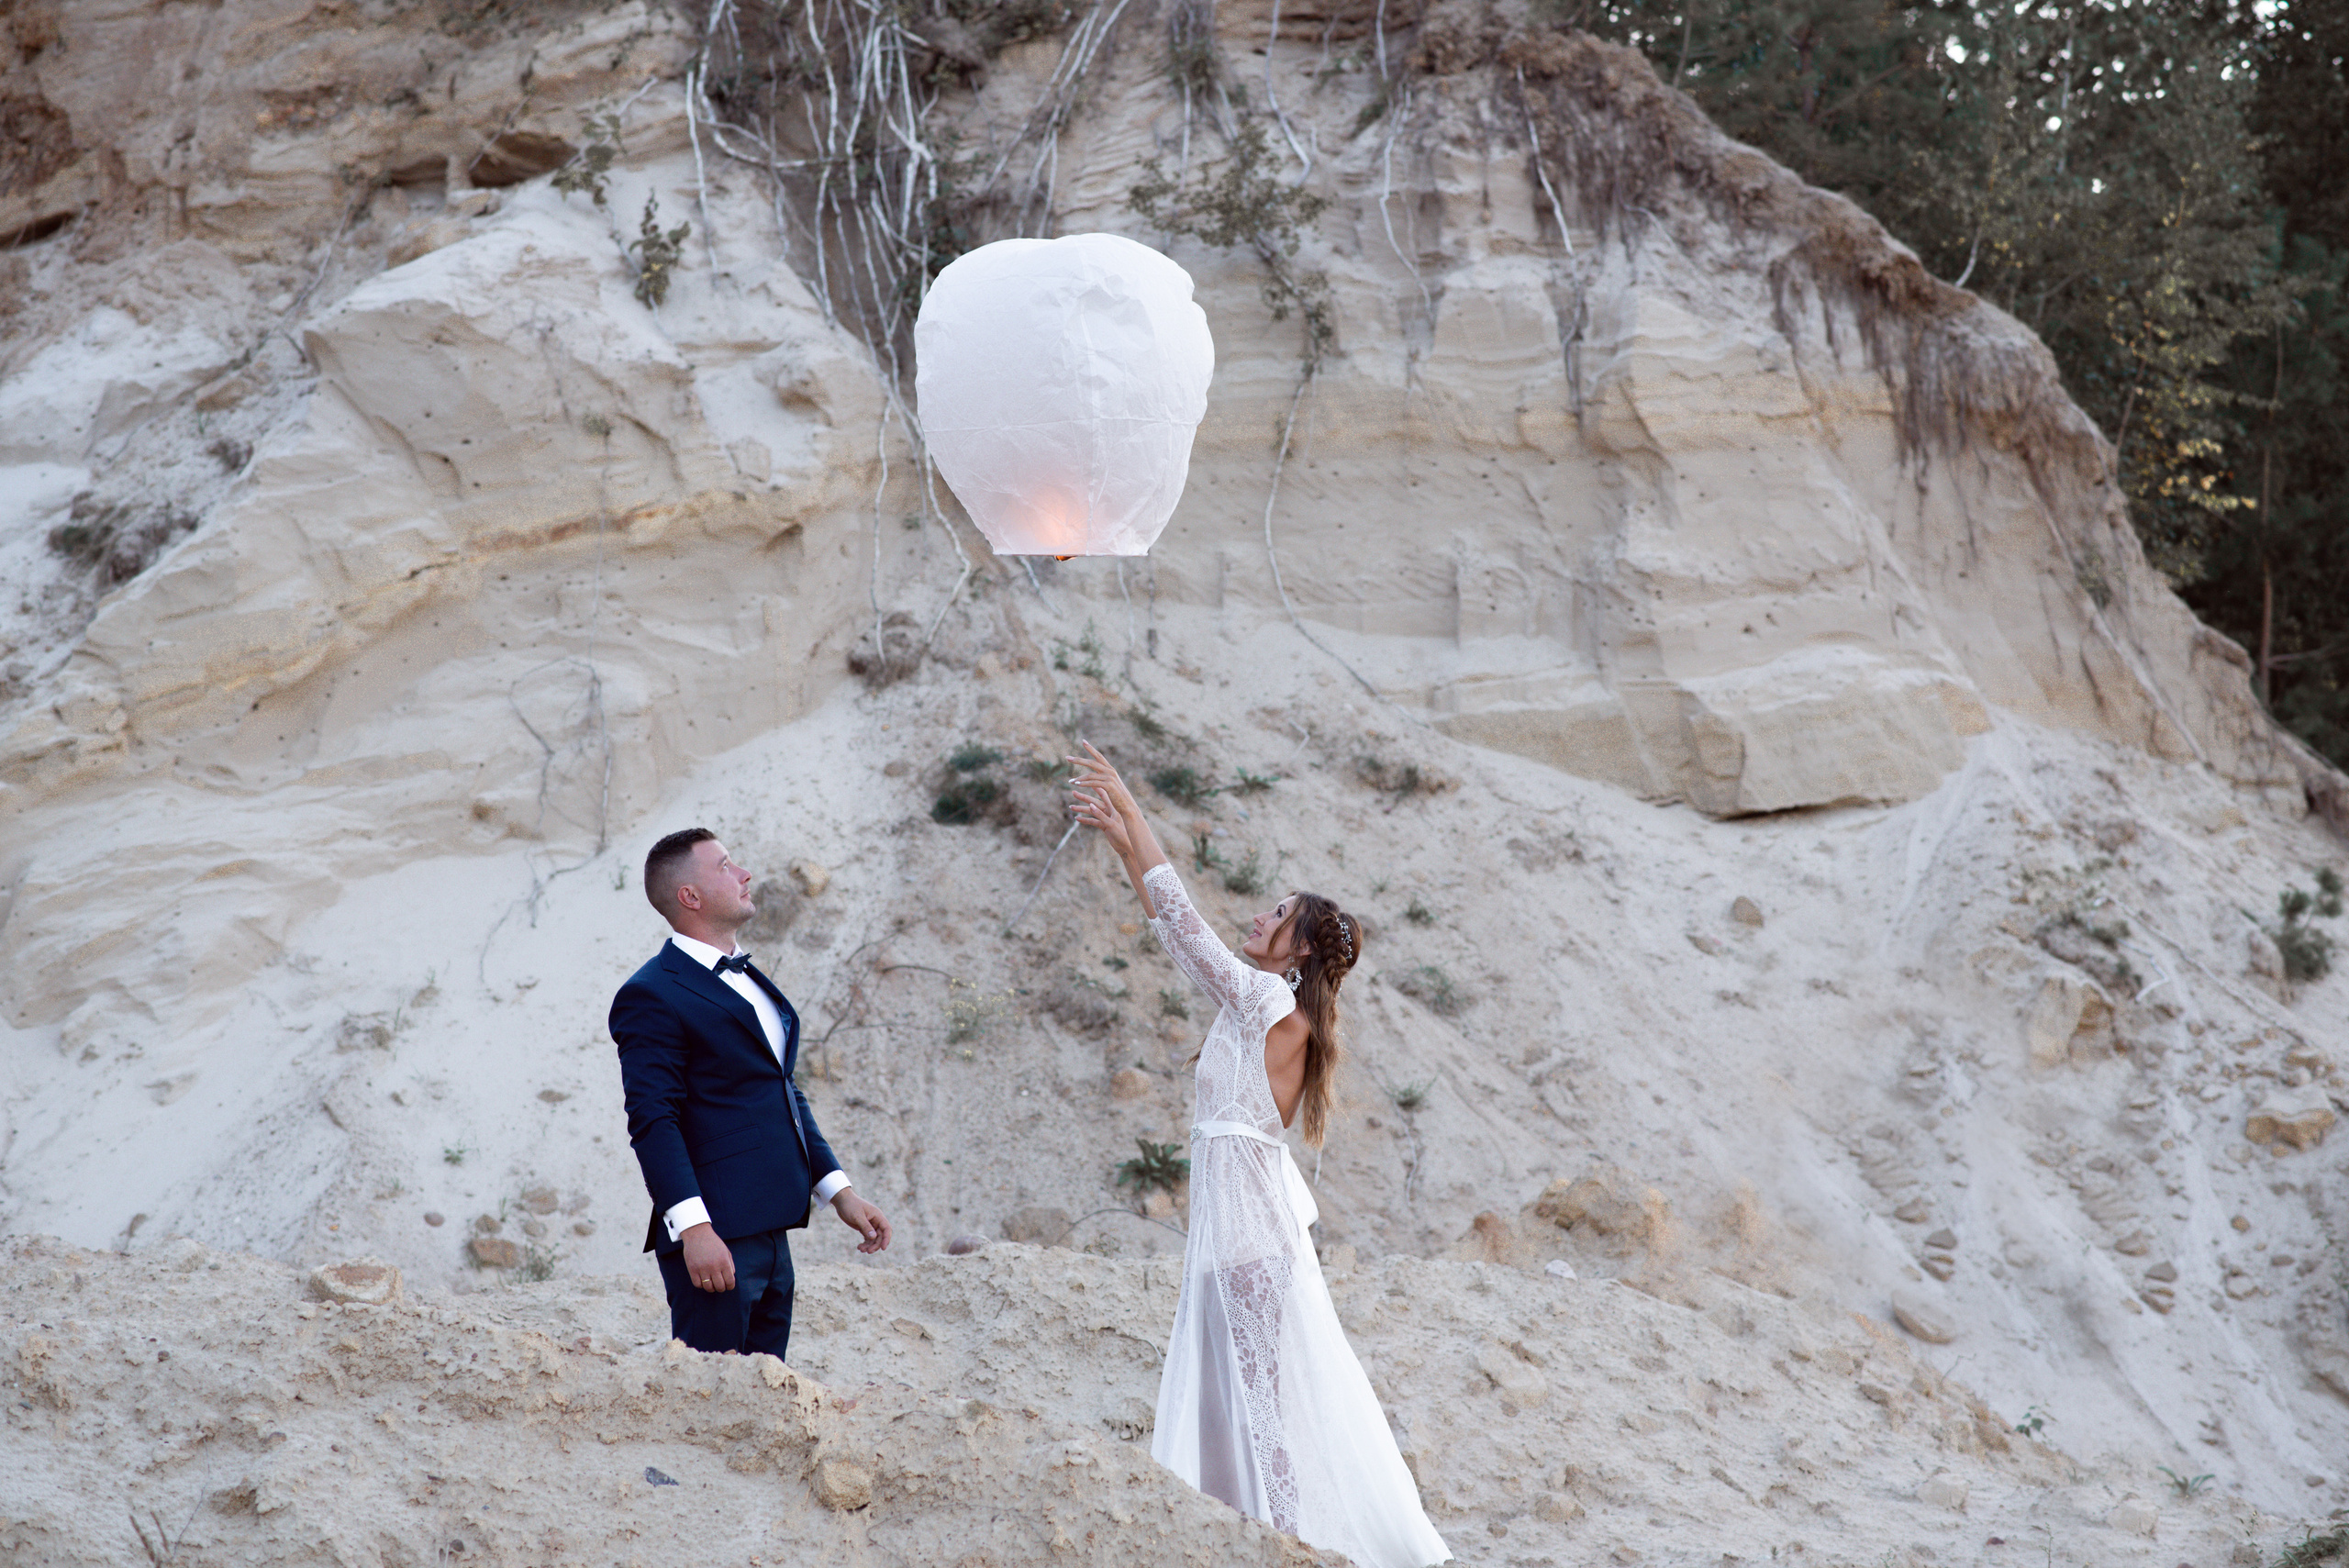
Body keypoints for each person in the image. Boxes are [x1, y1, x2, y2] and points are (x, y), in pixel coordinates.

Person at [1066, 742, 1452, 1568]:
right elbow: (1172, 926)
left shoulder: (1267, 1000)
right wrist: (1118, 839)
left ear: (1300, 949)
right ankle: (1234, 1537)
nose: (1258, 917)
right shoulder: (1256, 1006)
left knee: (1257, 1410)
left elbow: (1188, 923)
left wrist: (1132, 807)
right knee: (1220, 1407)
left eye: (1276, 915)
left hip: (1248, 1244)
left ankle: (1285, 1544)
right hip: (1230, 1237)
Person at [610, 828, 891, 1356]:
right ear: (689, 897)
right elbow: (654, 1120)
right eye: (725, 866)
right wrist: (693, 1230)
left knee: (763, 1394)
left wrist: (839, 1192)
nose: (744, 874)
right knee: (710, 1403)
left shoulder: (748, 978)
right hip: (714, 1234)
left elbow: (781, 1091)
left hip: (769, 1227)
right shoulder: (649, 994)